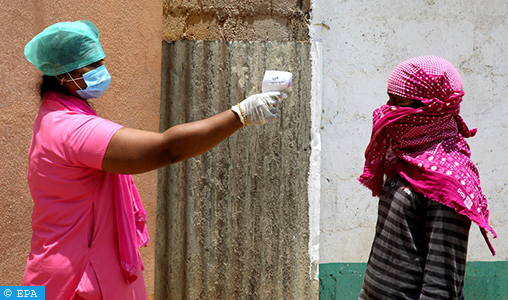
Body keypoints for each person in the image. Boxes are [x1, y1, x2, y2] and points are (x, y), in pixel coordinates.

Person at [23, 20, 286, 300]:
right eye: (92, 65)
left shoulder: (53, 116)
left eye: (101, 62)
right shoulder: (71, 128)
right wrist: (240, 115)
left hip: (60, 270)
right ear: (64, 74)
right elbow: (166, 149)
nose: (102, 71)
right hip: (78, 278)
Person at [358, 56, 496, 300]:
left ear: (432, 108)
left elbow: (441, 287)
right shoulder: (405, 158)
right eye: (389, 99)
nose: (388, 110)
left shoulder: (447, 183)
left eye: (398, 101)